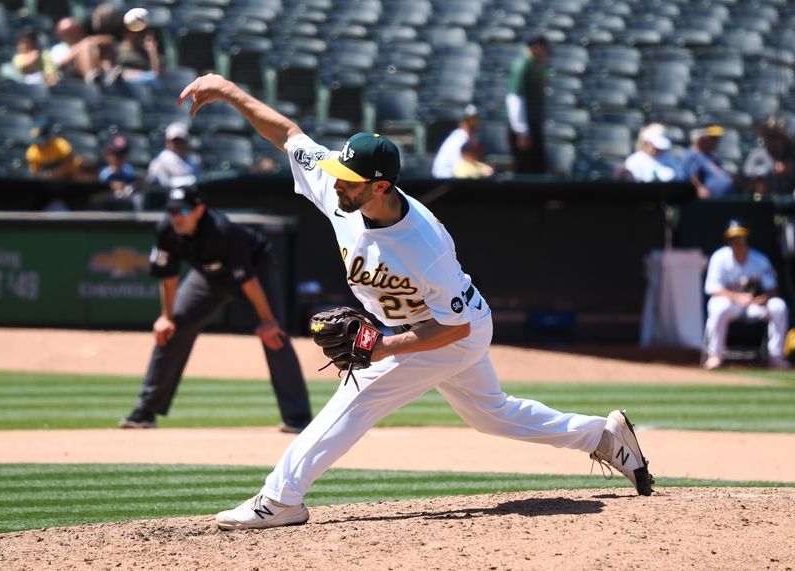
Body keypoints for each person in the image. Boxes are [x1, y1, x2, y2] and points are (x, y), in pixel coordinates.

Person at [177, 73, 655, 530]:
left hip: (447, 331)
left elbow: (455, 329)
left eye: (348, 179)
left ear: (381, 185)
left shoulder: (424, 245)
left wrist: (384, 348)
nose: (335, 182)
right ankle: (603, 436)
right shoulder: (340, 189)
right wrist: (229, 91)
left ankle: (279, 500)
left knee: (355, 400)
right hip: (440, 325)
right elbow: (287, 135)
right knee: (493, 415)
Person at [119, 184, 313, 432]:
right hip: (209, 277)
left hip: (255, 272)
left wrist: (266, 320)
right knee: (173, 328)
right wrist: (166, 316)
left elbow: (247, 280)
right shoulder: (167, 229)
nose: (177, 216)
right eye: (172, 210)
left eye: (183, 211)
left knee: (274, 336)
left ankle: (297, 417)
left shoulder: (221, 231)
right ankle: (145, 412)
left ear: (199, 210)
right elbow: (168, 276)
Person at [702, 219, 790, 370]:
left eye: (741, 238)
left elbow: (773, 289)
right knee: (717, 306)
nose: (738, 242)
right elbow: (711, 288)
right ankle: (714, 356)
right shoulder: (719, 257)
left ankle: (776, 357)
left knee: (778, 306)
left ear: (747, 239)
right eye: (734, 238)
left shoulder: (759, 260)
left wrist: (765, 298)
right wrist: (737, 297)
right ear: (728, 240)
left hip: (752, 305)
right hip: (730, 304)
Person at [505, 35, 550, 175]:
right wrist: (522, 131)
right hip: (524, 127)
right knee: (525, 169)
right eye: (545, 49)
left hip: (533, 124)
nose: (547, 54)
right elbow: (515, 98)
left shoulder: (535, 65)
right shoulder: (523, 65)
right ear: (535, 47)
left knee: (537, 168)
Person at [742, 117, 795, 197]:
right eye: (769, 137)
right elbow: (748, 177)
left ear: (783, 140)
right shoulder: (756, 155)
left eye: (776, 137)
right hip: (760, 200)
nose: (773, 142)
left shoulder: (791, 156)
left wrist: (787, 170)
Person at [682, 125, 738, 199]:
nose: (716, 142)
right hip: (709, 199)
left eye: (717, 139)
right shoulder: (694, 155)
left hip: (725, 196)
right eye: (713, 139)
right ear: (702, 140)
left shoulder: (713, 156)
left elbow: (717, 174)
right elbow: (692, 176)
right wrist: (700, 188)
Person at [431, 104, 486, 179]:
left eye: (475, 119)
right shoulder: (459, 136)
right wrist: (480, 169)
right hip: (445, 175)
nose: (474, 122)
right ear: (464, 121)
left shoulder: (469, 136)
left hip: (454, 174)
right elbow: (458, 166)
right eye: (470, 120)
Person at [146, 122, 201, 189]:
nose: (179, 144)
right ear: (167, 143)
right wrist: (190, 181)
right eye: (175, 141)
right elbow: (164, 185)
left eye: (181, 141)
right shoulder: (158, 163)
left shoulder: (193, 163)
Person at [25, 117, 82, 182]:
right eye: (36, 142)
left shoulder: (61, 145)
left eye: (41, 142)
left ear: (49, 137)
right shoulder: (32, 153)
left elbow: (72, 163)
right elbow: (35, 174)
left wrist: (58, 172)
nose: (38, 145)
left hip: (67, 177)